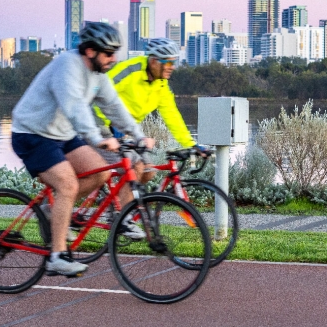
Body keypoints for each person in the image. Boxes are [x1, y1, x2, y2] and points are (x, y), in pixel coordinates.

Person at [11, 22, 154, 276]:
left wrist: (139, 135)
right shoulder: (67, 66)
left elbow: (114, 106)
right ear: (90, 51)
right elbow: (74, 106)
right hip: (32, 134)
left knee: (100, 172)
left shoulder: (98, 75)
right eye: (109, 53)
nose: (114, 58)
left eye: (115, 52)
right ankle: (57, 257)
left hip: (62, 135)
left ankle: (50, 211)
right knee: (67, 185)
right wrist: (96, 138)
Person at [95, 38, 207, 200]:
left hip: (125, 129)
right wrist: (107, 126)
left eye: (173, 62)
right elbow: (98, 92)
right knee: (136, 167)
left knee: (148, 171)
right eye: (168, 63)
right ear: (154, 61)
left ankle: (118, 204)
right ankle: (122, 221)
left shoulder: (160, 84)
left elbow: (172, 115)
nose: (172, 67)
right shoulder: (129, 71)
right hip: (100, 123)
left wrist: (191, 144)